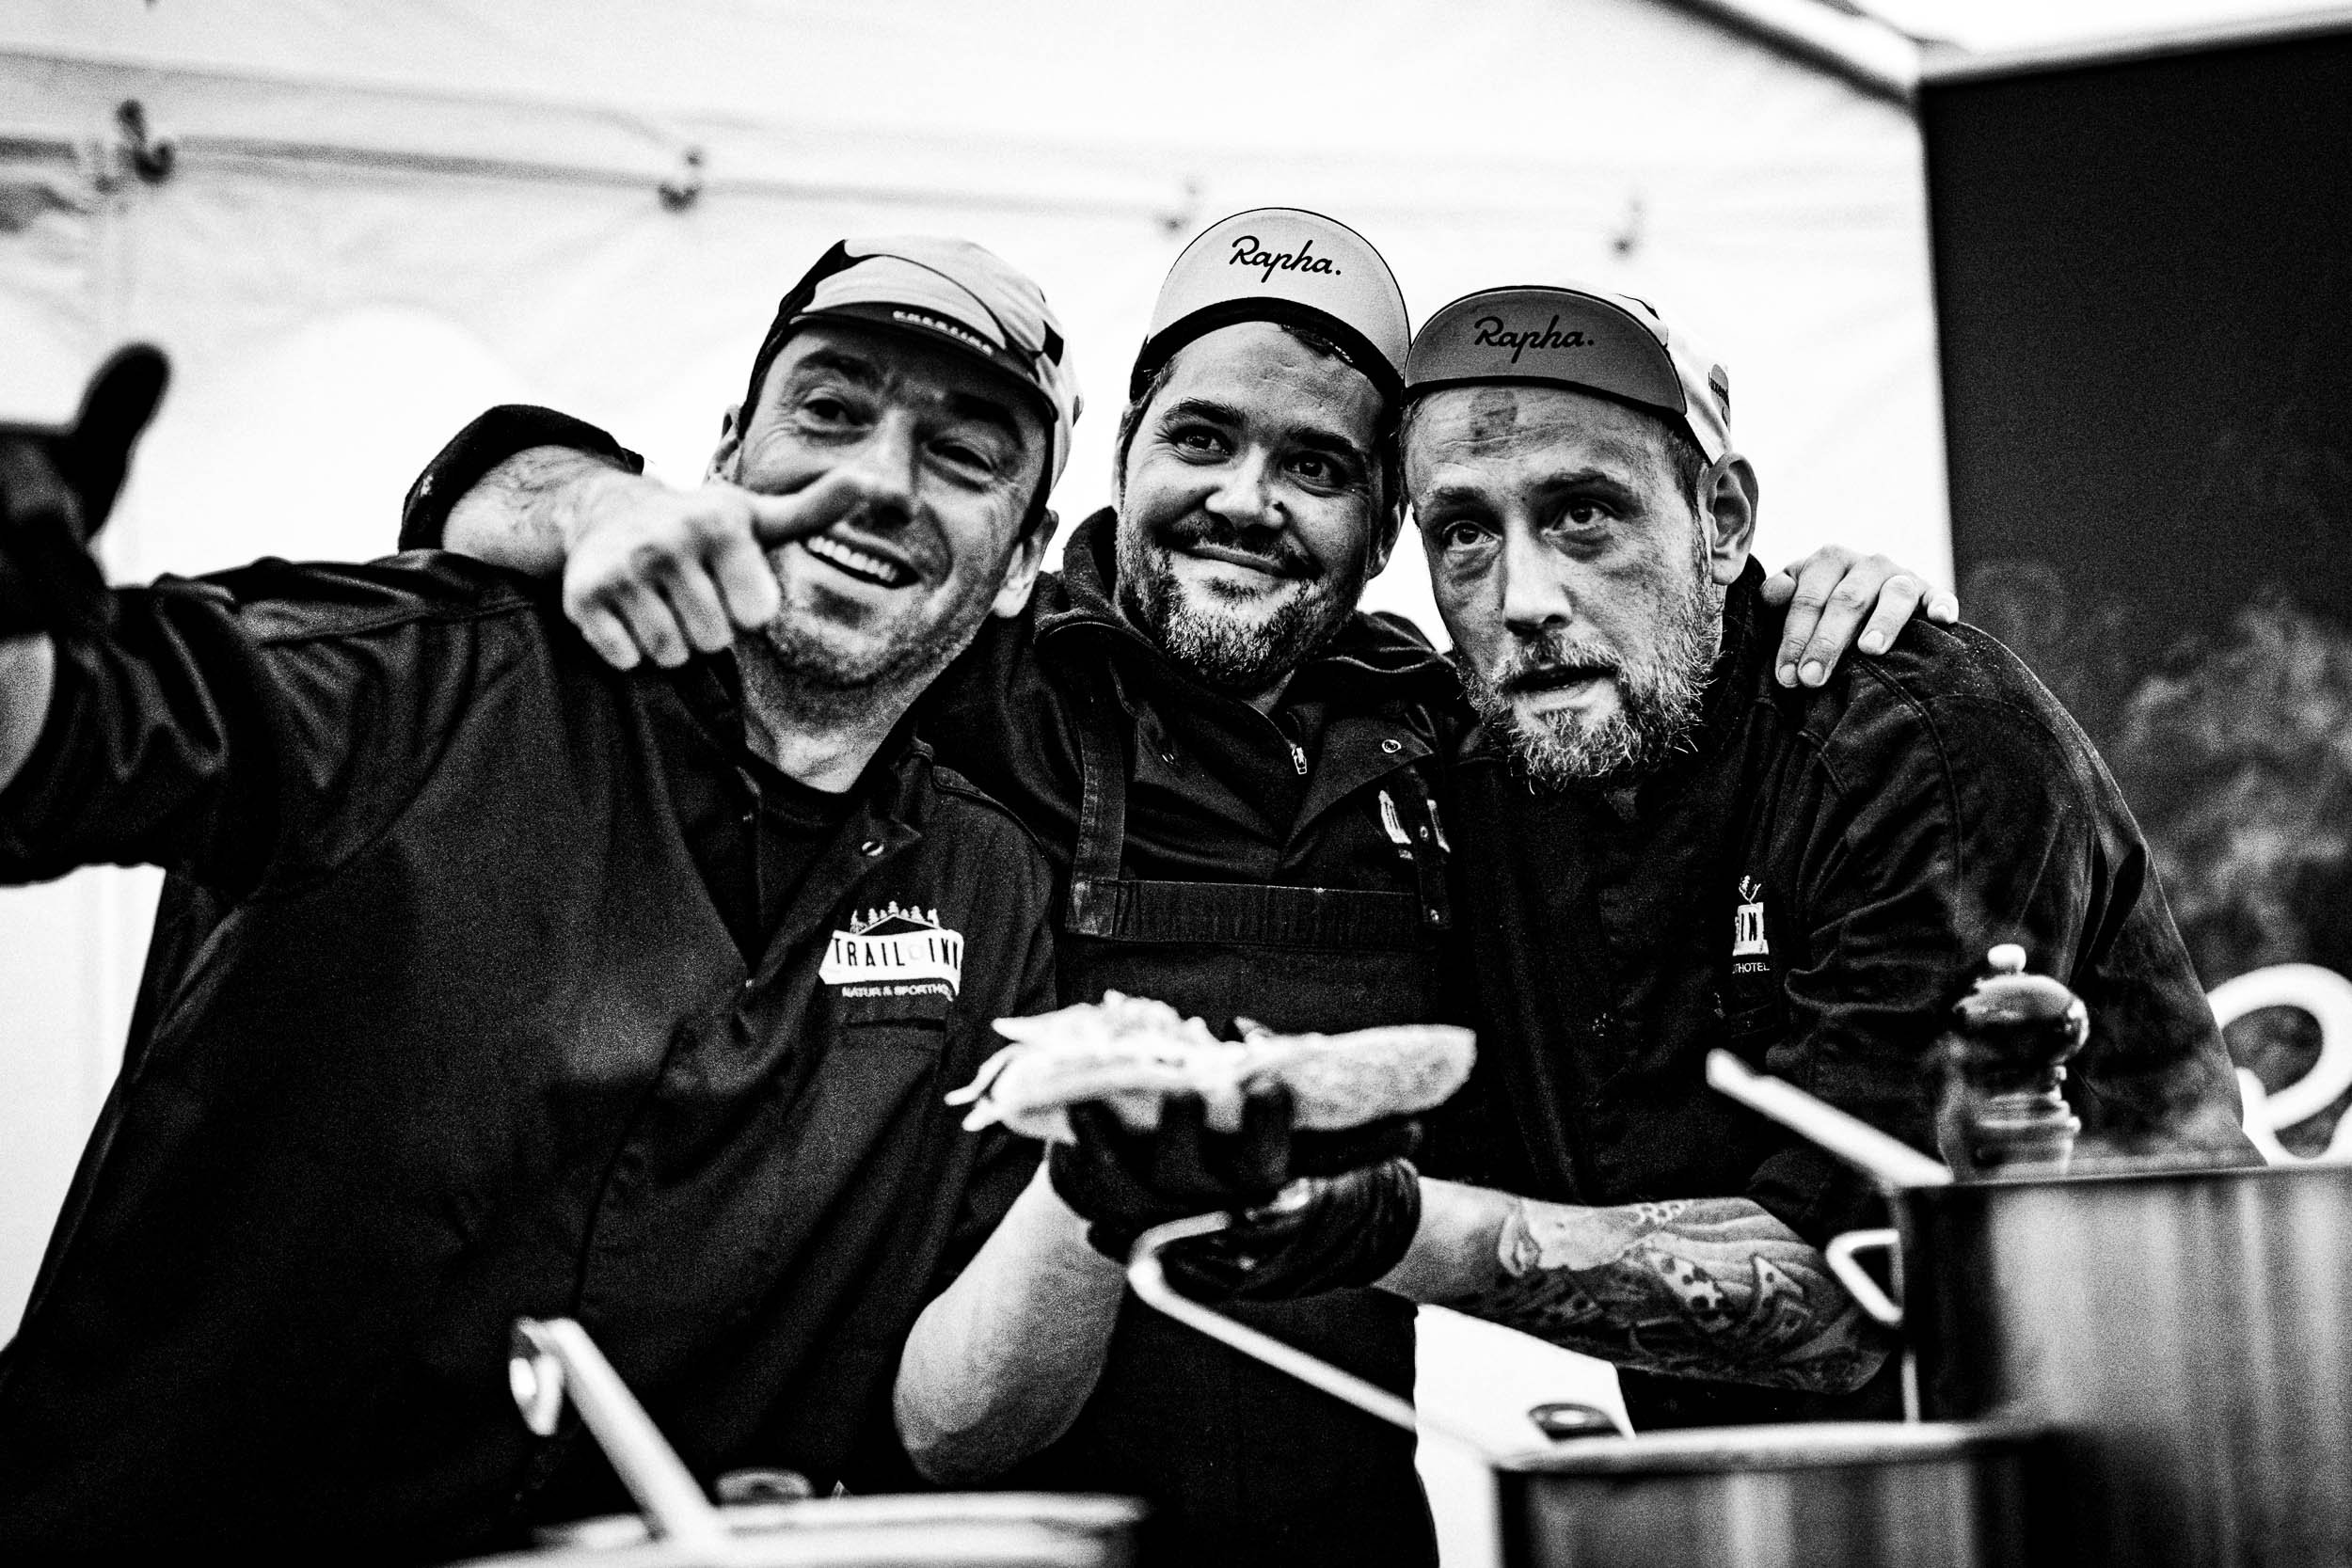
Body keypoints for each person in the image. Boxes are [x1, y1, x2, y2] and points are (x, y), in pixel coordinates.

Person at [400, 211, 1947, 1567]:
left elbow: (1652, 695)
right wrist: (578, 492)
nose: (1245, 497)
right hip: (1002, 1520)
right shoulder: (954, 684)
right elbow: (521, 516)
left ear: (1388, 523)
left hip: (1347, 1527)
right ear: (1125, 447)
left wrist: (1793, 599)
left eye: (1319, 465)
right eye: (1202, 438)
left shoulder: (1448, 746)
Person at [0, 236, 1082, 1560]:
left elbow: (947, 1401)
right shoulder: (427, 682)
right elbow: (71, 733)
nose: (874, 480)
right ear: (727, 449)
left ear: (1025, 560)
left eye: (964, 454)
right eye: (832, 408)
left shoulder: (986, 885)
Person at [1362, 281, 2258, 1428]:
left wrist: (1381, 1231)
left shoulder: (1919, 742)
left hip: (2147, 1467)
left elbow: (1854, 1289)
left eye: (1583, 513)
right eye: (1465, 532)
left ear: (1723, 518)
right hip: (1767, 1499)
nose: (1524, 598)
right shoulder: (1474, 777)